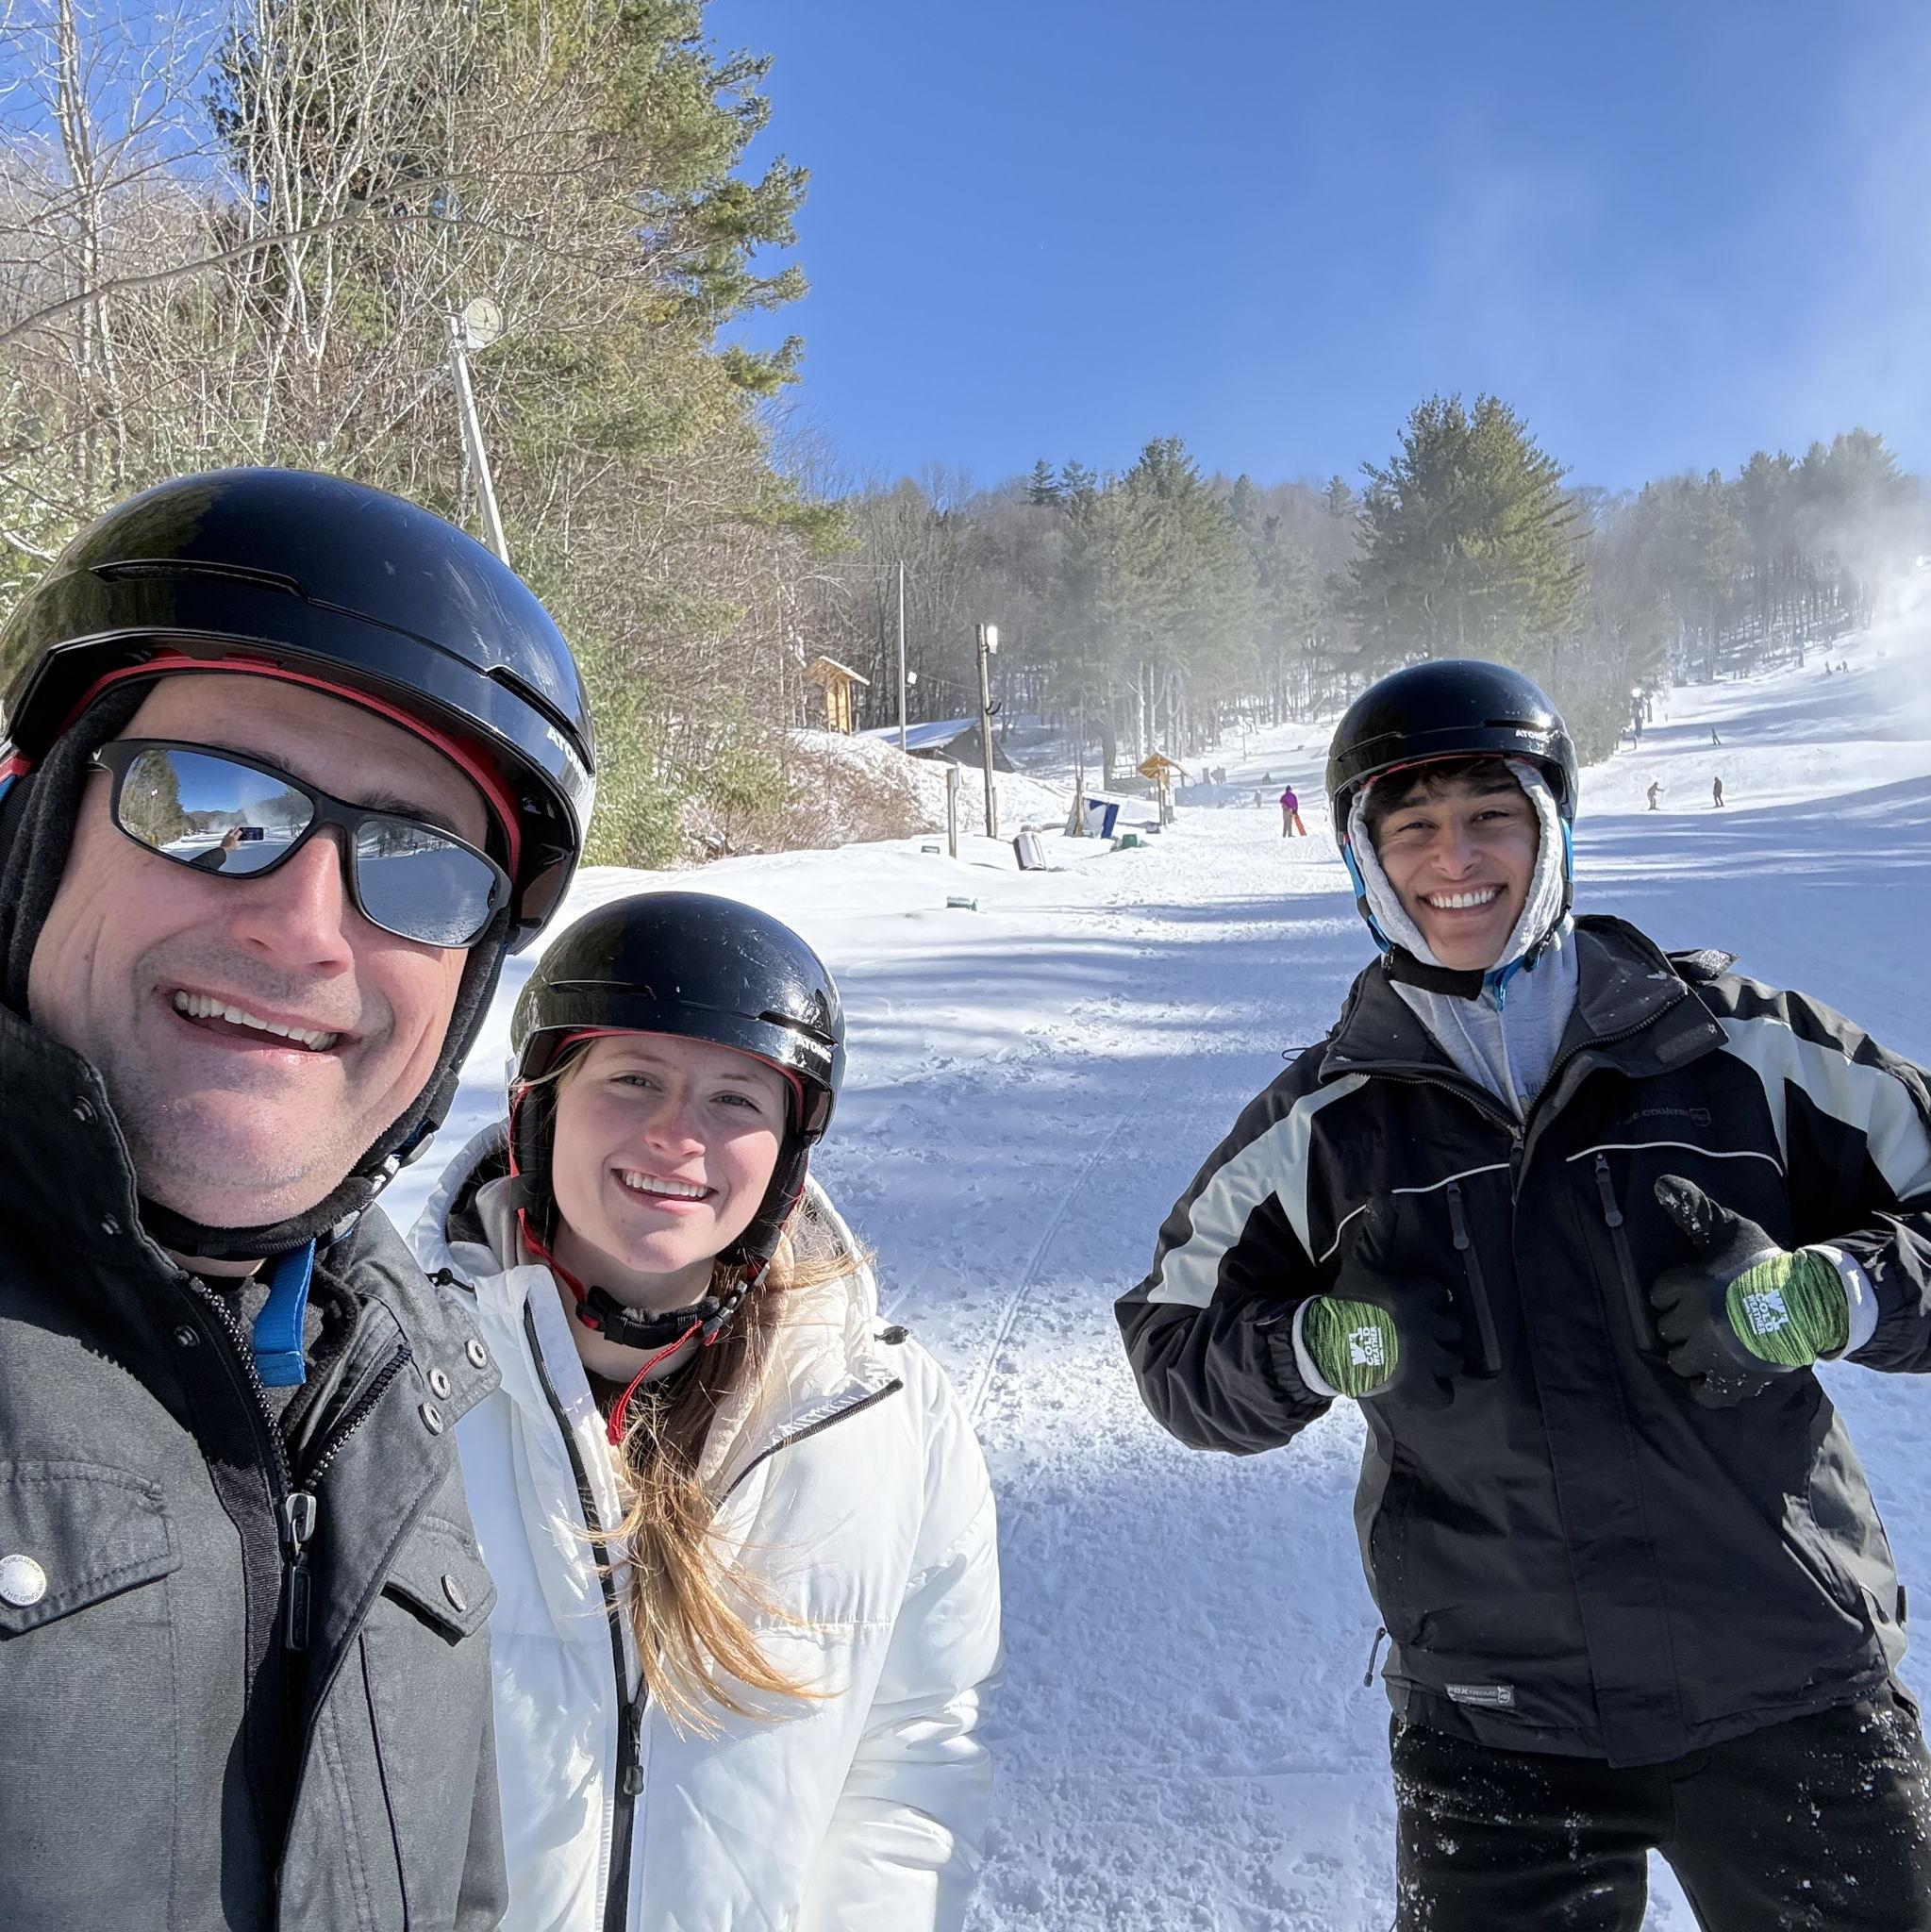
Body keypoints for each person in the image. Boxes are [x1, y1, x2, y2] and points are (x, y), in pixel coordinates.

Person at [1118, 658, 1931, 1930]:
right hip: (1494, 1732)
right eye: (1411, 825)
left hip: (1786, 1684)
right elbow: (1171, 1344)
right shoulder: (1325, 1123)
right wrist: (1309, 1345)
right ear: (1362, 857)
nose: (1454, 860)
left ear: (1548, 824)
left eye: (1487, 814)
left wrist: (1834, 1294)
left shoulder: (1734, 1049)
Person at [0, 467, 595, 1928]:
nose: (304, 924)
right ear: (35, 833)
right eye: (211, 806)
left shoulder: (396, 1378)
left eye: (420, 867)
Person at [411, 891, 1003, 1931]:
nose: (677, 1134)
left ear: (787, 1153)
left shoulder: (888, 1417)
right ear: (535, 1104)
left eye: (737, 1099)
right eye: (632, 1077)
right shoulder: (393, 1379)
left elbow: (913, 1753)